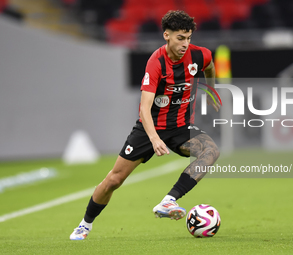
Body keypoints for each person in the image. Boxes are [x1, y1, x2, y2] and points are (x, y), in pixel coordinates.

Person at [70, 10, 220, 240]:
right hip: (149, 128)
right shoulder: (156, 63)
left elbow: (209, 66)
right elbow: (144, 108)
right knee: (114, 180)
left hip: (181, 128)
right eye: (180, 38)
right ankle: (84, 224)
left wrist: (211, 89)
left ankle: (168, 201)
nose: (185, 44)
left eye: (188, 38)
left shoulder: (200, 55)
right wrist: (154, 138)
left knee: (210, 151)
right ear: (166, 35)